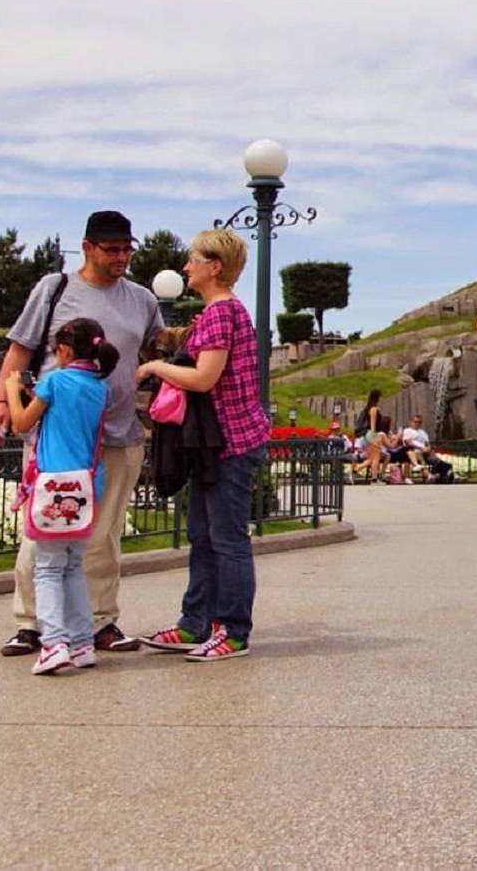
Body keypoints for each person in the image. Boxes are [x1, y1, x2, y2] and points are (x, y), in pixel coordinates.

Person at [0, 210, 161, 658]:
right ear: (87, 247)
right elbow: (19, 351)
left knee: (102, 533)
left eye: (127, 249)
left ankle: (99, 622)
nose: (121, 257)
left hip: (119, 431)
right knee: (41, 530)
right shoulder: (55, 289)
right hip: (56, 437)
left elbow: (155, 348)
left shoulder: (142, 299)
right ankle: (32, 624)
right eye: (112, 249)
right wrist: (0, 402)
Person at [133, 229, 272, 662]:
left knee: (226, 539)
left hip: (228, 441)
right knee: (204, 535)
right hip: (217, 442)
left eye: (193, 259)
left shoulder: (219, 312)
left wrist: (155, 366)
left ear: (214, 266)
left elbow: (204, 378)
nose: (186, 266)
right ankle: (195, 623)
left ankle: (232, 631)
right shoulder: (221, 312)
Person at [2, 318, 118, 675]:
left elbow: (22, 422)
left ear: (64, 350)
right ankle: (82, 641)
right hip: (86, 484)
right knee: (72, 567)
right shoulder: (101, 387)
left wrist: (11, 388)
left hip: (53, 484)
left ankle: (53, 643)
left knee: (48, 569)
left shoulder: (54, 380)